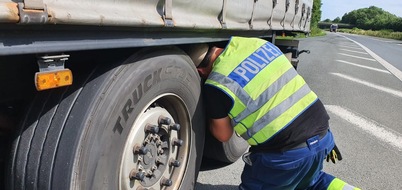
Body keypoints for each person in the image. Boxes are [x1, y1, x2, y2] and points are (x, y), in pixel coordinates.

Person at [189, 36, 360, 190]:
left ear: (200, 71)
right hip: (323, 136)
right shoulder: (259, 44)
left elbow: (223, 135)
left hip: (287, 156)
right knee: (311, 182)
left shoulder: (217, 84)